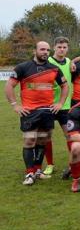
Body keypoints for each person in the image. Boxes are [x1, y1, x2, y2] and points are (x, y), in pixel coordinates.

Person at [5, 41, 69, 185]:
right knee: (29, 140)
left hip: (47, 111)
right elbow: (9, 85)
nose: (45, 52)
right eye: (42, 49)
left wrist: (60, 103)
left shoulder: (54, 68)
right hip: (30, 111)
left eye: (47, 50)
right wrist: (15, 105)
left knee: (42, 140)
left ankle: (38, 170)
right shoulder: (23, 67)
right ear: (35, 51)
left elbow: (65, 86)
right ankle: (29, 173)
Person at [45, 36, 74, 175]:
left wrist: (74, 61)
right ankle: (50, 164)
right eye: (59, 47)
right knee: (47, 136)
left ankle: (71, 164)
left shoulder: (69, 61)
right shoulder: (48, 61)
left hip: (65, 105)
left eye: (64, 47)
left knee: (69, 135)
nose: (62, 50)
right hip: (48, 105)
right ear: (54, 47)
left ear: (67, 49)